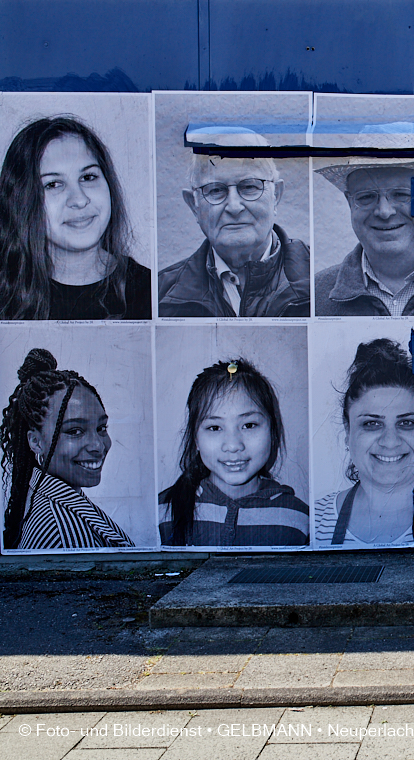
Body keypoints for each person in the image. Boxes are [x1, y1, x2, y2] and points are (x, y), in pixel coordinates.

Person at [313, 338, 414, 546]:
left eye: (407, 422)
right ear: (348, 433)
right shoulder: (314, 521)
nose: (390, 442)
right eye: (372, 424)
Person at [0, 116, 150, 320]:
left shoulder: (153, 292)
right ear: (22, 199)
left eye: (88, 177)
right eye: (53, 184)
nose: (79, 200)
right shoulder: (5, 294)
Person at [314, 123, 414, 316]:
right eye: (366, 197)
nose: (384, 212)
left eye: (401, 195)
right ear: (350, 203)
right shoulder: (315, 297)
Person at [158, 130, 310, 317]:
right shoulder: (158, 295)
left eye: (249, 187)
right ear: (193, 205)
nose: (234, 206)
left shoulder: (321, 283)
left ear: (276, 195)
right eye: (215, 190)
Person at [159, 359, 309, 547]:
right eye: (214, 428)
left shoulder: (300, 518)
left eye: (249, 425)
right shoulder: (162, 512)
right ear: (195, 438)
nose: (233, 445)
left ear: (272, 431)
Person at [1, 348, 133, 550]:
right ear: (36, 442)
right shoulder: (64, 537)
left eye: (101, 428)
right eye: (75, 431)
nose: (98, 445)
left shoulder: (54, 501)